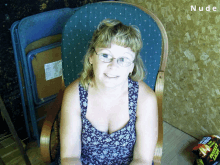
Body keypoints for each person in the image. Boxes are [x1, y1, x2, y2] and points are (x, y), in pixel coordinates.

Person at [60, 19, 158, 165]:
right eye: (105, 55)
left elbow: (142, 159)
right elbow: (70, 157)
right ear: (91, 57)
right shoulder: (74, 95)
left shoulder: (145, 99)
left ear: (132, 66)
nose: (113, 66)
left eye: (123, 59)